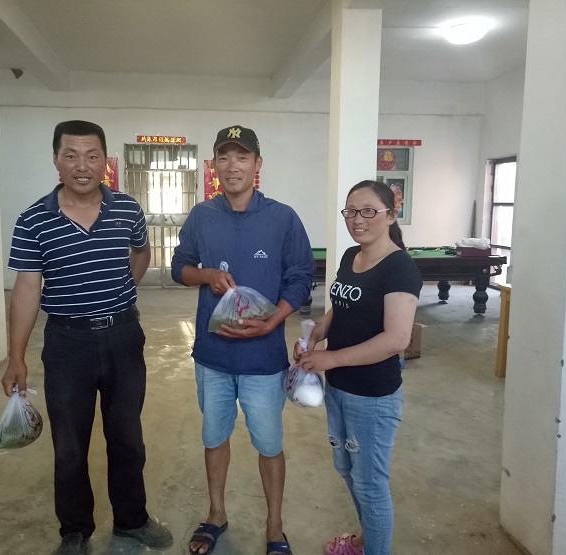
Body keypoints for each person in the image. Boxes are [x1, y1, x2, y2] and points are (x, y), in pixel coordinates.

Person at [1, 120, 172, 555]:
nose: (82, 166)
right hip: (67, 343)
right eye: (71, 156)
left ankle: (132, 520)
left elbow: (140, 252)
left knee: (128, 438)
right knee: (70, 445)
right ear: (56, 160)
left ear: (104, 162)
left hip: (123, 338)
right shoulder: (34, 220)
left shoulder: (127, 209)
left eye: (92, 156)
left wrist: (121, 293)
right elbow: (27, 288)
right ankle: (74, 531)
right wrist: (16, 356)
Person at [171, 125, 313, 555]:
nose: (232, 166)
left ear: (257, 163)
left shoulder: (282, 218)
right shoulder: (202, 216)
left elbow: (300, 278)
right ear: (214, 164)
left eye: (242, 156)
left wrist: (273, 323)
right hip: (212, 356)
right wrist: (206, 274)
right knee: (214, 437)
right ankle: (216, 514)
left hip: (263, 359)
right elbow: (179, 267)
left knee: (269, 444)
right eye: (224, 157)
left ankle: (274, 527)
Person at [294, 180, 422, 555]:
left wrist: (331, 357)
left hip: (372, 396)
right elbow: (341, 306)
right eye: (350, 211)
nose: (357, 219)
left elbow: (396, 339)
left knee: (370, 484)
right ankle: (367, 541)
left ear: (391, 215)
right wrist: (317, 333)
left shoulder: (400, 268)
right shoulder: (352, 255)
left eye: (368, 211)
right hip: (339, 388)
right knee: (348, 469)